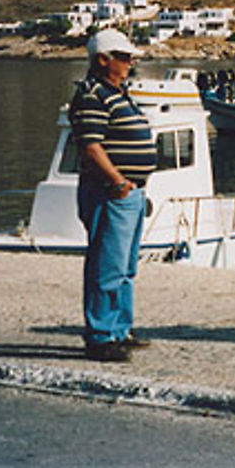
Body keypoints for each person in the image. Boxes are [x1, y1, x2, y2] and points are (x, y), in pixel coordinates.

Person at [68, 29, 156, 362]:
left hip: (128, 191)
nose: (130, 62)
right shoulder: (93, 94)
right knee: (107, 265)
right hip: (111, 192)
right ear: (103, 59)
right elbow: (91, 146)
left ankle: (120, 328)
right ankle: (100, 336)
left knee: (125, 266)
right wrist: (118, 181)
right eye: (124, 56)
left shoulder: (117, 91)